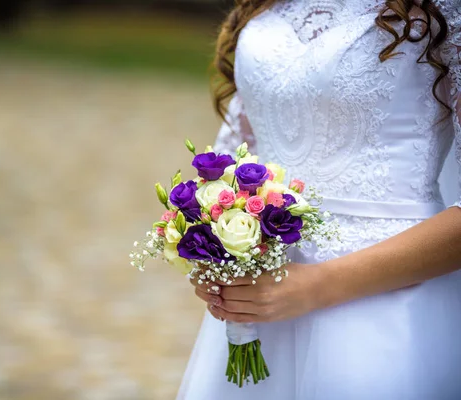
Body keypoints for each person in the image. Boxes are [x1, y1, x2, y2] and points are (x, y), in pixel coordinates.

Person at [177, 0, 461, 399]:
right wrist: (213, 253)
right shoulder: (262, 7)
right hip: (261, 307)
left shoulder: (445, 11)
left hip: (389, 305)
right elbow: (240, 160)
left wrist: (315, 286)